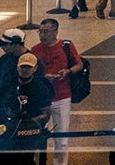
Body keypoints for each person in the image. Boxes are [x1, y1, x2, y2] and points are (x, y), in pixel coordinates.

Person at [29, 19, 81, 165]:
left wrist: (68, 71)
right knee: (37, 136)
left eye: (46, 32)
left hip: (62, 96)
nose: (42, 35)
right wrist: (42, 76)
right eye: (40, 31)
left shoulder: (66, 46)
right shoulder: (35, 50)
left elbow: (79, 64)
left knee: (62, 139)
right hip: (41, 99)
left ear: (56, 32)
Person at [0, 53, 50, 164]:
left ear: (35, 68)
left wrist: (28, 124)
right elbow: (0, 106)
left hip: (30, 133)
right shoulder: (8, 84)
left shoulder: (41, 88)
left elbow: (46, 114)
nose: (25, 70)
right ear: (17, 67)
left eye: (29, 67)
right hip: (9, 131)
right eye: (23, 66)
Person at [0, 33, 40, 102]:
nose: (2, 47)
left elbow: (38, 86)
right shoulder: (3, 59)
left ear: (16, 45)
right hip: (1, 103)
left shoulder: (33, 60)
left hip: (23, 102)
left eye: (5, 44)